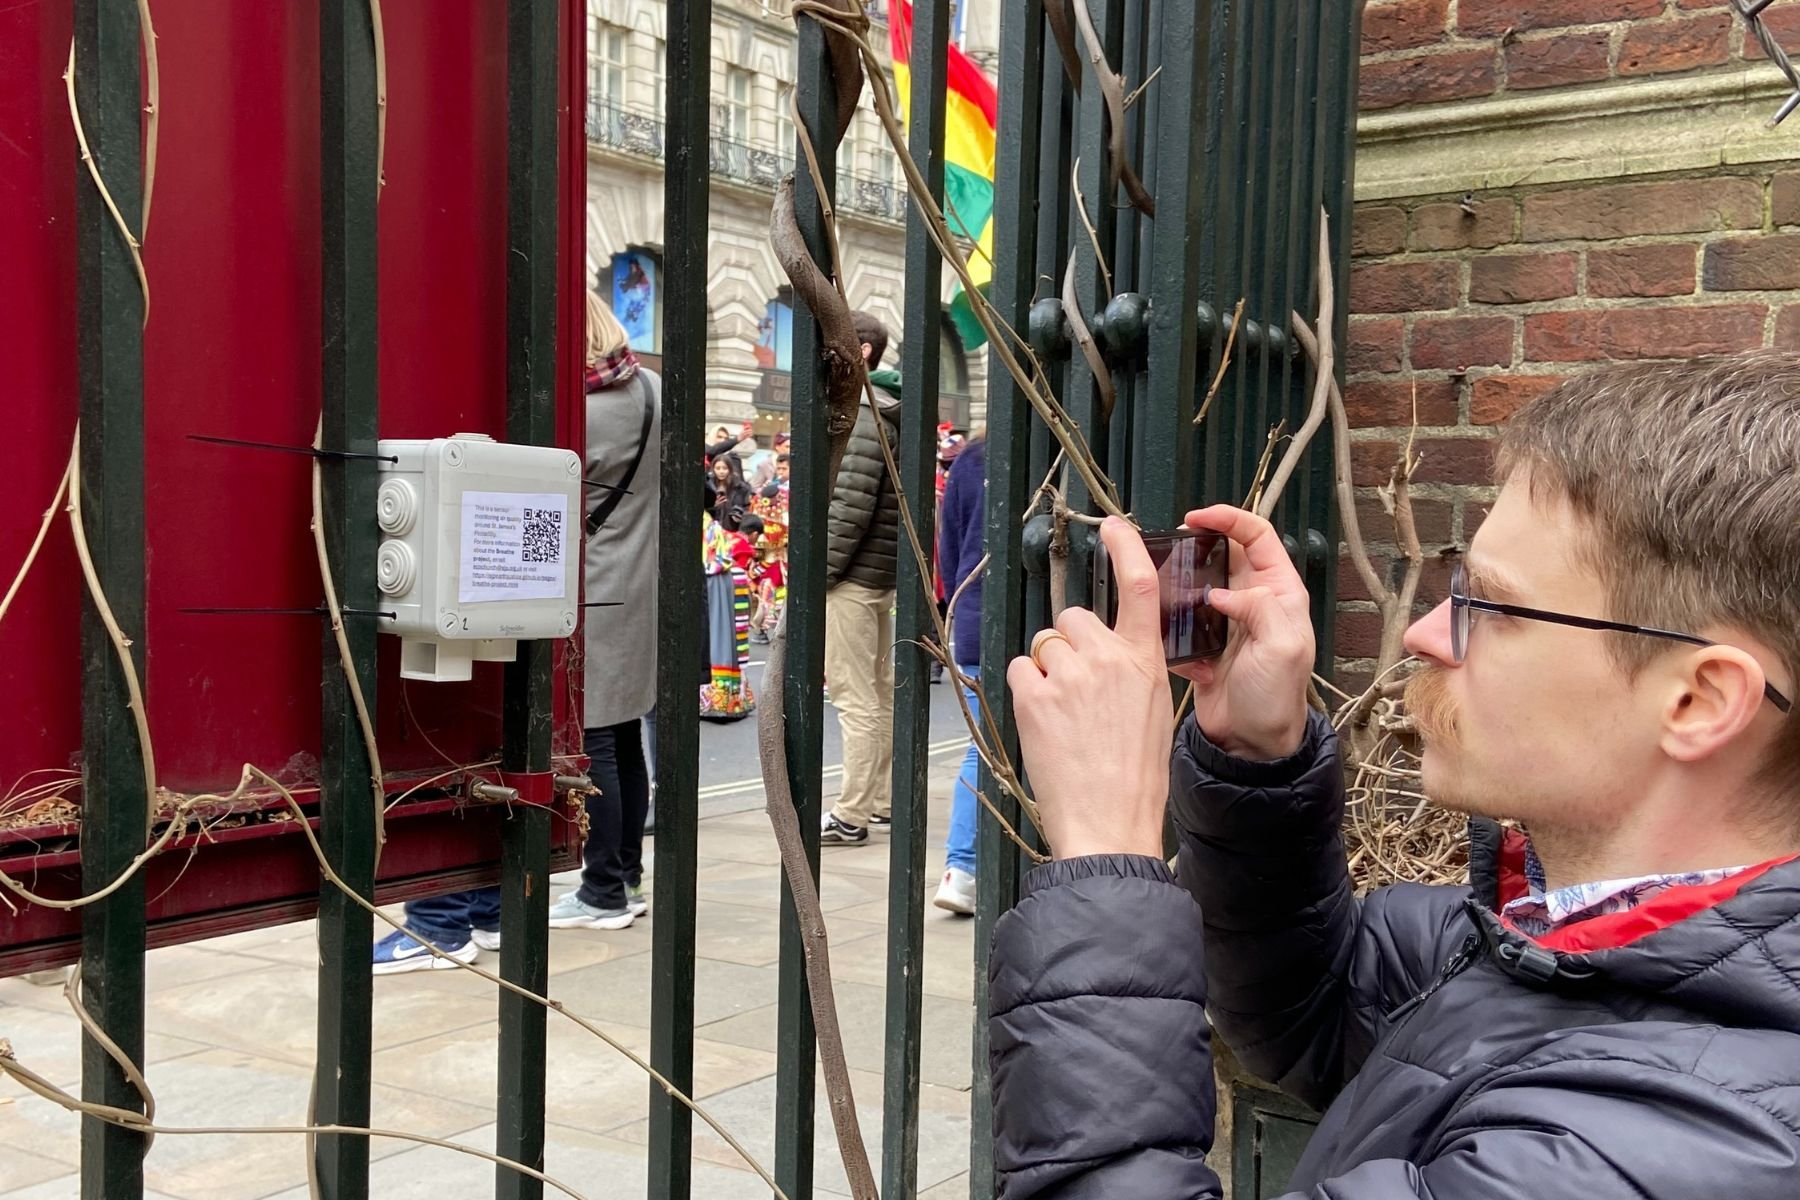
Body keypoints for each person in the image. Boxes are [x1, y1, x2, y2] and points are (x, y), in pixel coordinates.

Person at [987, 352, 1800, 1198]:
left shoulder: (1676, 1145)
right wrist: (1255, 761)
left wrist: (1106, 850)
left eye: (1489, 606)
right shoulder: (1572, 937)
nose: (1426, 635)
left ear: (1700, 700)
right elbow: (1315, 1011)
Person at [547, 293, 662, 931]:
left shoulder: (581, 411)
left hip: (590, 584)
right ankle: (627, 873)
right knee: (622, 735)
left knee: (595, 739)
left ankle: (602, 892)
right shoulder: (653, 389)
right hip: (639, 580)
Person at [820, 311, 904, 845]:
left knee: (856, 697)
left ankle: (851, 813)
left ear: (863, 353)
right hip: (880, 573)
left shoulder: (865, 418)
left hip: (850, 578)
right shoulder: (890, 411)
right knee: (878, 692)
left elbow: (848, 507)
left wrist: (816, 576)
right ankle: (880, 800)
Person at [933, 433, 984, 914]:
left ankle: (962, 868)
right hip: (1035, 620)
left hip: (974, 617)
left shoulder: (970, 458)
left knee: (982, 748)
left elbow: (948, 551)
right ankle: (966, 865)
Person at [700, 508, 756, 720]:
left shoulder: (707, 528)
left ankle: (717, 697)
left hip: (713, 581)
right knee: (722, 636)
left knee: (715, 634)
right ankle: (728, 696)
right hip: (722, 580)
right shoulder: (713, 527)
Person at [707, 453, 752, 531]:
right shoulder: (708, 486)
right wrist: (712, 506)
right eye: (718, 468)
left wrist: (738, 513)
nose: (721, 472)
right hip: (711, 527)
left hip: (732, 528)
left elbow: (746, 508)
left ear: (730, 469)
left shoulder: (741, 488)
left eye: (724, 468)